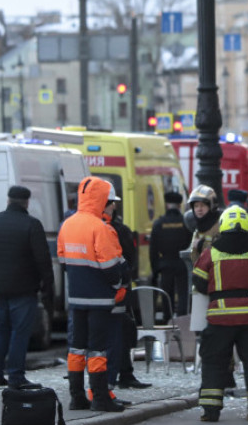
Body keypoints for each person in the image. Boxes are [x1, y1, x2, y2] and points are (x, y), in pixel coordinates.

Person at [191, 206, 248, 422]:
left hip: (220, 318)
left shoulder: (212, 253)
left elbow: (199, 282)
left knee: (213, 361)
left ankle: (211, 409)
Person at [58, 177, 130, 413]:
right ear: (102, 201)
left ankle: (77, 397)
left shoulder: (67, 224)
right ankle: (100, 397)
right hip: (99, 298)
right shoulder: (100, 228)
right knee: (97, 349)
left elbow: (63, 260)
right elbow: (110, 266)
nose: (112, 207)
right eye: (110, 202)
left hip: (77, 297)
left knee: (76, 348)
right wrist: (120, 283)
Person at [0, 185, 53, 390]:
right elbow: (43, 260)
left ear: (8, 200)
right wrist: (47, 287)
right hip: (24, 289)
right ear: (26, 202)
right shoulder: (31, 225)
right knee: (20, 332)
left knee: (0, 330)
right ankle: (16, 375)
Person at [107, 194, 151, 391]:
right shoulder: (118, 229)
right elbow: (129, 260)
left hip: (100, 291)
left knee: (107, 335)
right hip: (119, 291)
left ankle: (115, 374)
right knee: (119, 333)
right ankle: (119, 374)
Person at [149, 190, 193, 316]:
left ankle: (167, 319)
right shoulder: (185, 223)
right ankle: (182, 318)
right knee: (183, 292)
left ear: (166, 205)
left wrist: (155, 268)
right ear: (179, 205)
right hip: (182, 263)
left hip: (165, 264)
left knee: (166, 293)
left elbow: (153, 249)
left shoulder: (159, 224)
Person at [186, 185, 221, 263]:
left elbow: (221, 251)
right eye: (196, 206)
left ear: (212, 206)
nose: (199, 209)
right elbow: (194, 258)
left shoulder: (220, 224)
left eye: (203, 205)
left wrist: (200, 245)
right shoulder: (198, 226)